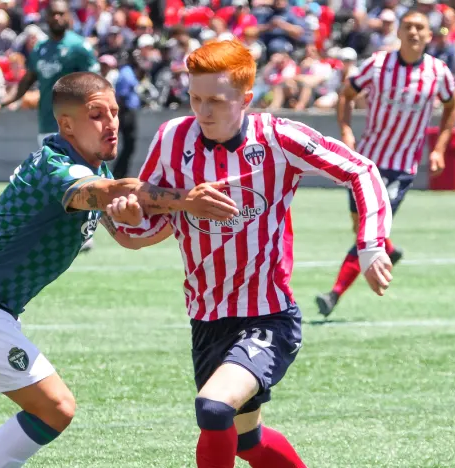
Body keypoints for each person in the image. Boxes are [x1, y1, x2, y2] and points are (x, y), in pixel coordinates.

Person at [0, 71, 238, 468]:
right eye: (97, 114)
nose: (112, 122)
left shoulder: (94, 171)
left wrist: (168, 216)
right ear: (66, 124)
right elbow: (110, 193)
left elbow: (129, 234)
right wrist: (185, 200)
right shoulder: (57, 168)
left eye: (115, 112)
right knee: (56, 408)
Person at [108, 40, 393, 468]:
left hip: (268, 316)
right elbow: (154, 220)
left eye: (216, 101)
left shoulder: (277, 137)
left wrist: (371, 244)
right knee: (247, 441)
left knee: (214, 408)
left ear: (246, 98)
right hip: (206, 318)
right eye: (195, 98)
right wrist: (128, 214)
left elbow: (361, 169)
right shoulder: (171, 137)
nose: (203, 112)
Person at [315, 9, 455, 317]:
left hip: (401, 167)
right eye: (408, 26)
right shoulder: (378, 64)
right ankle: (390, 251)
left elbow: (452, 105)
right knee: (360, 225)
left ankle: (333, 295)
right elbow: (346, 93)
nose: (413, 32)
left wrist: (439, 149)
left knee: (368, 233)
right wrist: (345, 129)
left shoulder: (438, 71)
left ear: (429, 35)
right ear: (398, 32)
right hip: (365, 163)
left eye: (420, 28)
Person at [0, 0, 99, 251]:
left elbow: (96, 85)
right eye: (53, 14)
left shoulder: (79, 47)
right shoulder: (40, 50)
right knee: (57, 179)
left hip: (74, 125)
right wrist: (1, 103)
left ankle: (84, 233)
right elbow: (26, 81)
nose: (57, 18)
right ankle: (65, 231)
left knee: (78, 175)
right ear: (46, 18)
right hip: (47, 122)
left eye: (61, 14)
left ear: (68, 17)